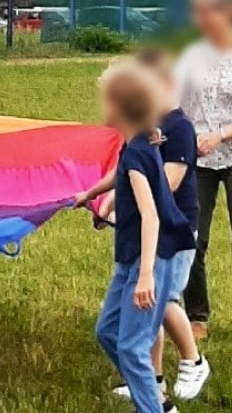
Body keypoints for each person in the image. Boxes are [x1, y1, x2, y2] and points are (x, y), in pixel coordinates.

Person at [83, 50, 211, 402]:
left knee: (153, 316)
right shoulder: (143, 139)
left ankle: (186, 368)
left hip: (163, 243)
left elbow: (158, 197)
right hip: (141, 246)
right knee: (123, 329)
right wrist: (98, 196)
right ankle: (151, 384)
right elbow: (126, 175)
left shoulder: (171, 132)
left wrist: (145, 272)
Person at [175, 0, 232, 340]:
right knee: (192, 237)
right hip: (196, 159)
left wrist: (221, 135)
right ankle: (196, 317)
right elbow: (174, 106)